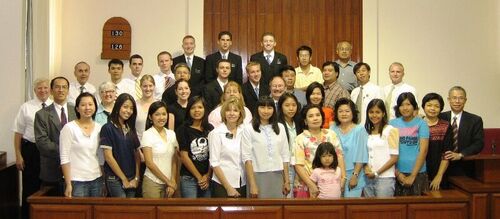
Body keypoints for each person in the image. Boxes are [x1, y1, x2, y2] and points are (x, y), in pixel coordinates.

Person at [12, 78, 52, 218]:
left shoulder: (55, 106)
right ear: (35, 90)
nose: (43, 90)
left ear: (50, 90)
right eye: (39, 88)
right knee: (30, 186)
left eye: (45, 87)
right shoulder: (26, 107)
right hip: (31, 150)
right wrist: (18, 155)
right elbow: (18, 133)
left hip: (50, 151)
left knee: (49, 186)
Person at [242, 96, 290, 198]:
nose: (266, 111)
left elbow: (285, 155)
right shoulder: (248, 129)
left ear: (274, 109)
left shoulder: (280, 127)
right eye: (262, 107)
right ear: (257, 109)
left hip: (278, 175)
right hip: (257, 175)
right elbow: (247, 158)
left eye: (269, 108)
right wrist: (252, 184)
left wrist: (287, 181)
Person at [293, 104, 346, 198]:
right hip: (308, 184)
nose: (315, 118)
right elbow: (298, 164)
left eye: (318, 115)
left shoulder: (331, 134)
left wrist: (343, 178)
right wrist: (311, 185)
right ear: (305, 121)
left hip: (331, 184)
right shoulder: (300, 139)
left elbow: (339, 156)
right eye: (310, 116)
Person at [34, 76, 76, 195]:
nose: (61, 90)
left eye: (64, 87)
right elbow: (42, 143)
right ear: (51, 91)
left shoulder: (77, 111)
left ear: (68, 90)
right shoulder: (41, 114)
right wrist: (66, 152)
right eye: (57, 87)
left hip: (75, 169)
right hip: (51, 170)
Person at [60, 92, 102, 197]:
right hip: (76, 181)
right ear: (77, 109)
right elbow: (64, 157)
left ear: (95, 107)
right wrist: (68, 183)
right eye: (83, 105)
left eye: (90, 104)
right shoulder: (69, 128)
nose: (87, 108)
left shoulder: (99, 128)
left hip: (96, 178)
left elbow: (101, 155)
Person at [100, 93, 141, 198]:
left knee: (131, 211)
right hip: (115, 178)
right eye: (125, 107)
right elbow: (108, 157)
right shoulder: (107, 128)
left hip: (131, 178)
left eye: (131, 108)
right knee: (121, 209)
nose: (128, 111)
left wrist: (136, 177)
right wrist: (123, 179)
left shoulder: (131, 129)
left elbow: (137, 155)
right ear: (118, 107)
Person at [390, 92, 429, 196]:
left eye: (408, 104)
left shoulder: (422, 124)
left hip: (418, 173)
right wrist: (397, 173)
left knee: (418, 208)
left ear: (414, 106)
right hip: (396, 172)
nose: (405, 108)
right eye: (401, 105)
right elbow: (388, 151)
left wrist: (413, 175)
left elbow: (423, 150)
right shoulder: (392, 124)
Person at [439, 86, 484, 178]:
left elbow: (479, 143)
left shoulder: (475, 120)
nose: (457, 101)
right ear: (449, 99)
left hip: (465, 166)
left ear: (465, 100)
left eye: (461, 98)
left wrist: (460, 154)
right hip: (441, 165)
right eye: (454, 98)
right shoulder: (440, 117)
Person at [208, 97, 247, 197]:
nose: (232, 113)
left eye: (235, 110)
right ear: (224, 113)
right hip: (222, 185)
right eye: (228, 110)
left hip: (242, 182)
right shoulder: (216, 133)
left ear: (240, 113)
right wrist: (228, 187)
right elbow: (214, 163)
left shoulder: (245, 131)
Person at [140, 101, 179, 198]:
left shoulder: (171, 134)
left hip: (170, 184)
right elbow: (149, 163)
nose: (161, 117)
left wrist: (173, 181)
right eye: (157, 114)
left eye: (164, 114)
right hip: (152, 182)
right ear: (150, 117)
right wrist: (168, 181)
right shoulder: (147, 134)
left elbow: (174, 159)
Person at [177, 96, 214, 198]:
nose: (196, 110)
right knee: (191, 212)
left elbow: (214, 155)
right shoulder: (183, 129)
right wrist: (199, 177)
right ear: (189, 110)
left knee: (208, 211)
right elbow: (184, 156)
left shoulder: (210, 128)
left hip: (207, 178)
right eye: (193, 108)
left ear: (205, 109)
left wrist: (207, 175)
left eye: (200, 107)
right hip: (189, 179)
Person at [331, 98, 368, 197]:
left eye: (347, 111)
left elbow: (361, 154)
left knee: (351, 208)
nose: (344, 114)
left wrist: (355, 175)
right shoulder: (332, 128)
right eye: (340, 111)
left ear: (353, 113)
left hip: (354, 173)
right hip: (335, 174)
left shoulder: (359, 130)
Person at [363, 99, 399, 197]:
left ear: (383, 113)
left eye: (377, 112)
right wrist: (366, 168)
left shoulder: (391, 130)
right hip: (367, 178)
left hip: (385, 179)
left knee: (384, 210)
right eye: (371, 112)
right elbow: (364, 154)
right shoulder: (366, 131)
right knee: (368, 211)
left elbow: (394, 158)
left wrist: (376, 173)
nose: (374, 115)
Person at [422, 93, 452, 190]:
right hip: (418, 172)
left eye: (436, 106)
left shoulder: (445, 126)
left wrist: (439, 176)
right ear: (423, 106)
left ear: (441, 108)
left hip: (438, 172)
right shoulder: (417, 124)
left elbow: (446, 154)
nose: (432, 108)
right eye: (429, 105)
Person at [277, 93, 304, 198]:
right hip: (283, 167)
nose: (291, 108)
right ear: (281, 106)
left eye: (294, 105)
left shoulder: (299, 122)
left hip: (297, 165)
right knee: (285, 196)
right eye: (287, 105)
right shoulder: (277, 125)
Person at [137, 75, 175, 140]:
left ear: (154, 86)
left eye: (150, 86)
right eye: (145, 86)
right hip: (139, 144)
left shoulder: (160, 105)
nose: (148, 89)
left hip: (158, 144)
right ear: (140, 87)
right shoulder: (135, 105)